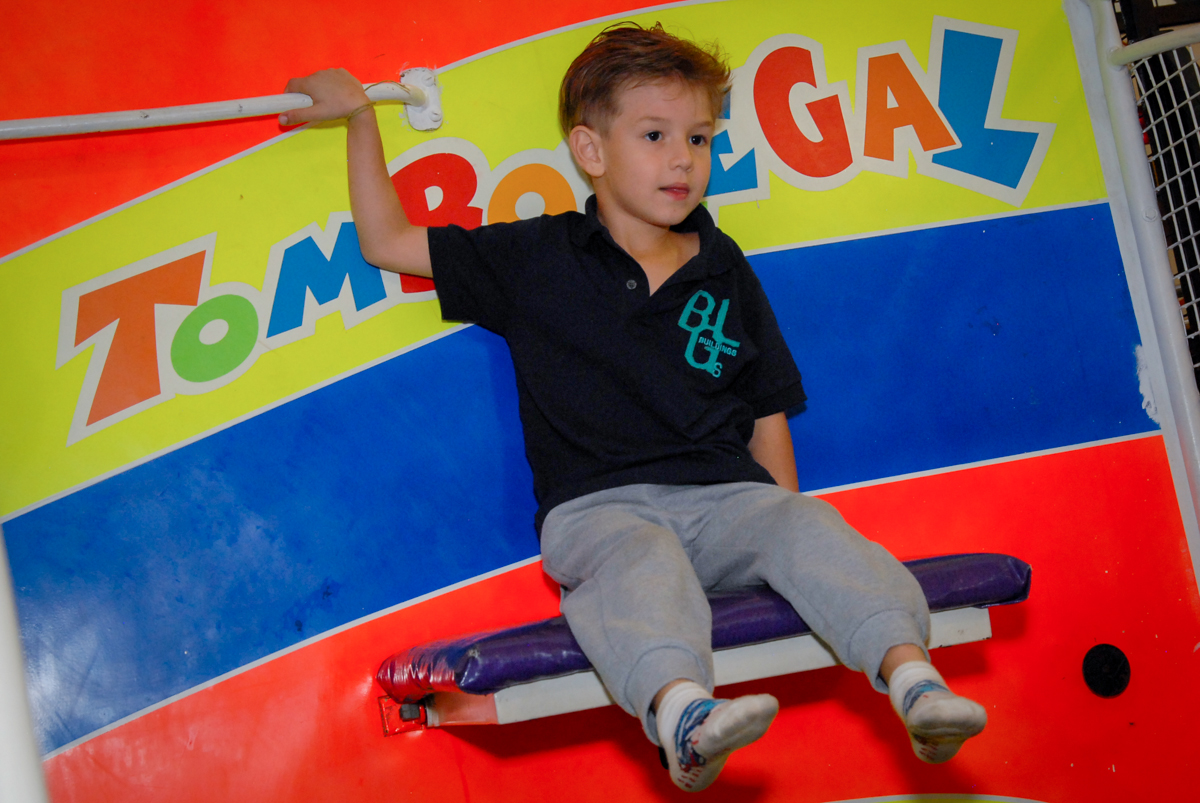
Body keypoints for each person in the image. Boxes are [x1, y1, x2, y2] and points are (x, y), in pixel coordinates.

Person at [281, 22, 987, 793]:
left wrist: (782, 533)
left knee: (807, 522)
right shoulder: (534, 257)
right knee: (641, 555)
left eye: (699, 137)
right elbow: (386, 240)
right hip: (598, 510)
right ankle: (684, 721)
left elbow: (766, 411)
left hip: (725, 501)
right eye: (655, 135)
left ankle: (915, 683)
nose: (683, 158)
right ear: (590, 150)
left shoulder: (724, 265)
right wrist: (360, 118)